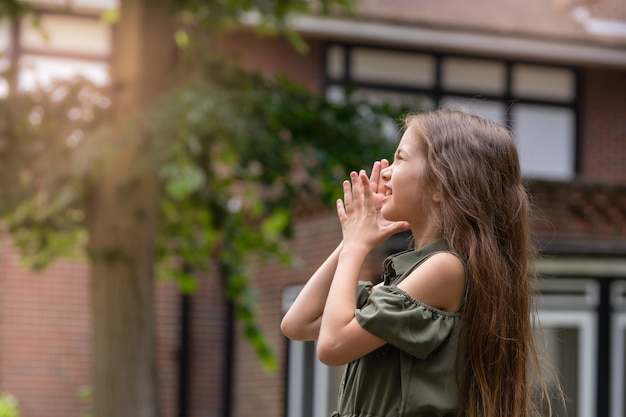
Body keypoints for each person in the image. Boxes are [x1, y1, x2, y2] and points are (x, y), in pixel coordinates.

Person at [280, 109, 557, 417]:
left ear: (439, 186)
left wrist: (356, 247)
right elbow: (297, 323)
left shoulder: (445, 269)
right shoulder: (410, 274)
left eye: (400, 158)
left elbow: (332, 346)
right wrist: (351, 240)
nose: (384, 172)